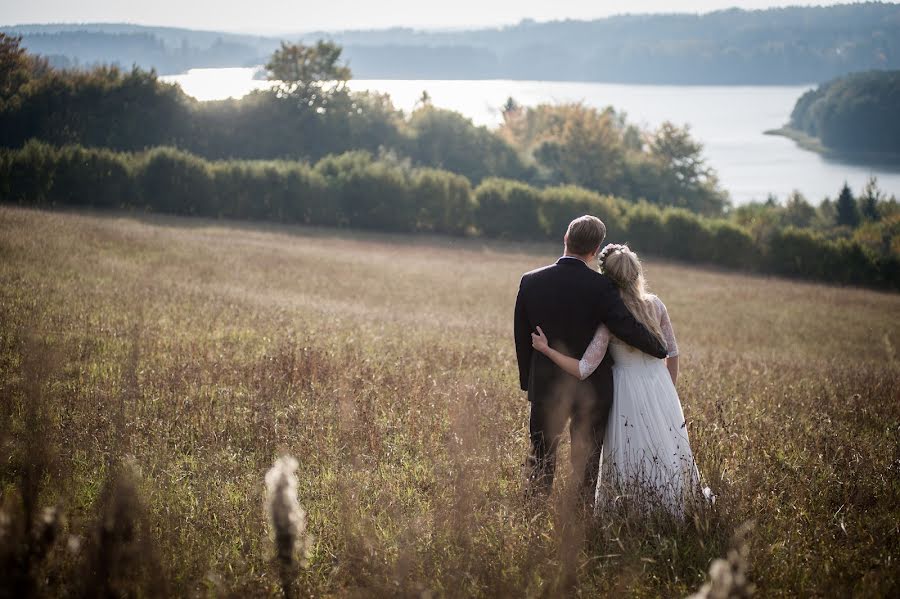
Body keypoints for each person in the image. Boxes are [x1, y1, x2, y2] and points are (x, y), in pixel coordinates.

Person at [530, 243, 711, 515]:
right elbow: (672, 352)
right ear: (637, 272)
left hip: (626, 388)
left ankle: (632, 508)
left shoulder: (610, 320)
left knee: (629, 449)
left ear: (606, 276)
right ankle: (671, 503)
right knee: (665, 446)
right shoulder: (656, 305)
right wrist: (667, 390)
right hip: (660, 387)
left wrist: (546, 350)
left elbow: (583, 368)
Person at [513, 216, 668, 502]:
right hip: (592, 390)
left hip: (546, 386)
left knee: (541, 456)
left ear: (565, 238)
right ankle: (580, 519)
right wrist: (657, 346)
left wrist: (529, 383)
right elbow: (624, 326)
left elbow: (522, 338)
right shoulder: (602, 288)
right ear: (595, 249)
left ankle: (532, 516)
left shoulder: (531, 281)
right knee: (585, 463)